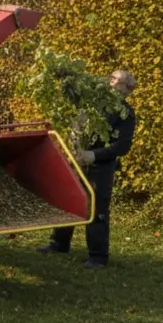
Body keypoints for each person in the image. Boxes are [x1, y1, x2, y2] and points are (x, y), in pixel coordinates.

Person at [38, 70, 137, 269]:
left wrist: (93, 155)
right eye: (112, 78)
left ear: (128, 90)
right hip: (77, 159)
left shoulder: (126, 114)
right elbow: (73, 106)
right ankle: (59, 243)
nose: (112, 83)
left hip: (99, 167)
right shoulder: (93, 101)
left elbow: (121, 146)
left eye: (118, 82)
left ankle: (98, 258)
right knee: (67, 199)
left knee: (96, 208)